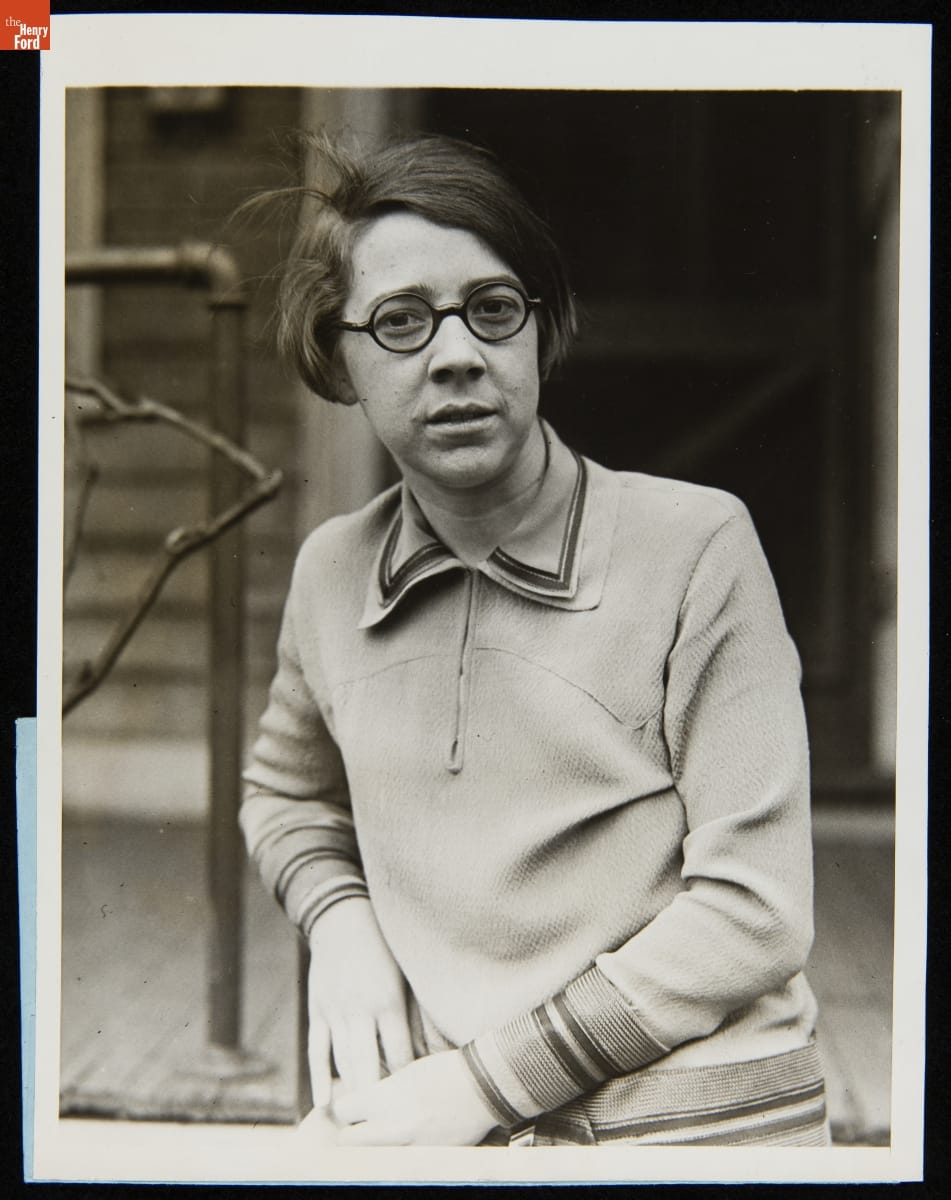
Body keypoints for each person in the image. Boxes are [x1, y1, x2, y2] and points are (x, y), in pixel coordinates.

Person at [239, 132, 830, 1148]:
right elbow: (285, 793)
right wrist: (340, 922)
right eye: (401, 321)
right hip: (450, 1114)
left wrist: (482, 1087)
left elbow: (756, 911)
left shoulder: (697, 545)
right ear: (337, 359)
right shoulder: (333, 573)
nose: (457, 355)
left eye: (493, 309)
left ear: (540, 332)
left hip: (688, 1117)